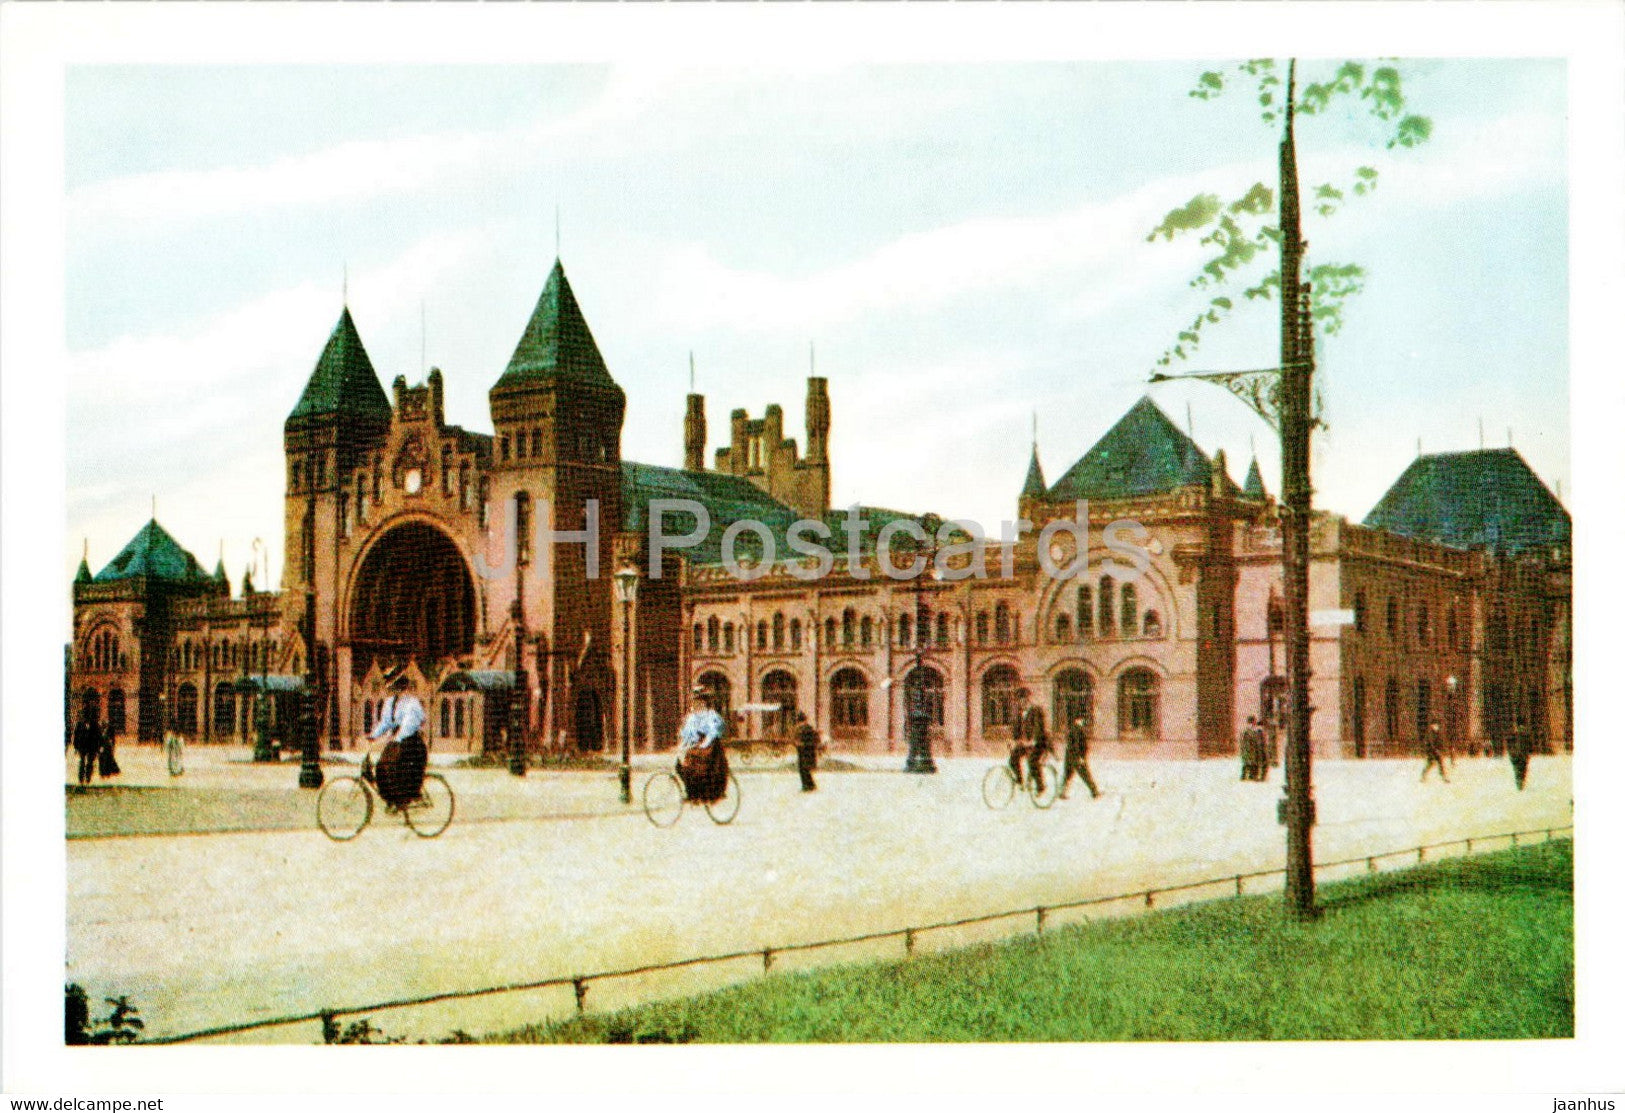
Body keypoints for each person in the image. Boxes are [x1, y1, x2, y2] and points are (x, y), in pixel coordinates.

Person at [369, 664, 429, 811]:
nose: (395, 691)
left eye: (396, 687)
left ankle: (405, 799)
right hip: (397, 742)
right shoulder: (390, 702)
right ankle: (391, 799)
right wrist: (374, 735)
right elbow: (385, 722)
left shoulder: (412, 703)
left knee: (395, 767)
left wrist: (397, 738)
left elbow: (409, 725)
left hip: (411, 743)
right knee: (381, 766)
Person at [677, 686, 729, 804]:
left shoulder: (711, 715)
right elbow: (689, 733)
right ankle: (692, 793)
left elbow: (713, 732)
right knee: (683, 765)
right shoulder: (693, 717)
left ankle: (703, 794)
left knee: (697, 763)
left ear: (704, 702)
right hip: (699, 745)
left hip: (711, 747)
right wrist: (683, 744)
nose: (695, 704)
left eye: (698, 701)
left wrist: (704, 744)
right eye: (694, 701)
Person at [1014, 688, 1051, 796]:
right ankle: (1020, 781)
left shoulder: (1036, 710)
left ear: (1028, 699)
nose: (1022, 702)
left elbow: (1039, 727)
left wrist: (1033, 740)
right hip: (1027, 743)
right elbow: (1016, 728)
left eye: (1024, 699)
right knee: (1012, 759)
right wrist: (1015, 740)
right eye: (1020, 700)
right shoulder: (1020, 713)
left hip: (1040, 742)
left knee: (1032, 761)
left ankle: (1041, 787)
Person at [1059, 714, 1099, 800]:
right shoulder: (1077, 730)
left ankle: (1062, 793)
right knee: (1085, 775)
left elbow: (1070, 743)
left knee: (1067, 776)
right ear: (1078, 720)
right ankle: (1094, 792)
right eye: (1082, 720)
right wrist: (1080, 757)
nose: (1083, 722)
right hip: (1076, 757)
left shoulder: (1073, 729)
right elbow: (1077, 744)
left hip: (1069, 756)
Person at [70, 710, 102, 787]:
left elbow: (99, 737)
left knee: (90, 763)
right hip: (82, 747)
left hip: (92, 747)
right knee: (82, 762)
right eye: (85, 717)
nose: (86, 719)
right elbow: (76, 736)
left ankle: (88, 778)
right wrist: (76, 747)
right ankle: (81, 778)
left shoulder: (95, 725)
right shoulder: (79, 724)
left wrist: (98, 748)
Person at [793, 710, 820, 792]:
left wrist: (801, 744)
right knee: (804, 770)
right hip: (806, 752)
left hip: (805, 752)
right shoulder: (807, 728)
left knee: (804, 770)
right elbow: (815, 740)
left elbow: (812, 741)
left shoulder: (805, 729)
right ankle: (809, 786)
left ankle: (808, 786)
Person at [1239, 715, 1266, 782]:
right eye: (1254, 721)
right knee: (1252, 763)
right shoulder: (1251, 730)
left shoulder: (1247, 730)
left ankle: (1248, 776)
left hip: (1249, 749)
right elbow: (1255, 740)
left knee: (1248, 764)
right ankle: (1252, 776)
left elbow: (1242, 741)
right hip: (1251, 749)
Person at [1507, 720, 1532, 791]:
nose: (1521, 729)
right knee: (1519, 771)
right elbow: (1509, 746)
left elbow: (1530, 747)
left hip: (1522, 756)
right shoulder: (1513, 736)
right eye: (1520, 727)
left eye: (1522, 727)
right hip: (1517, 756)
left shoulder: (1525, 736)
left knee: (1522, 771)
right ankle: (1519, 784)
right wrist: (1512, 754)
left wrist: (1528, 754)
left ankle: (1521, 784)